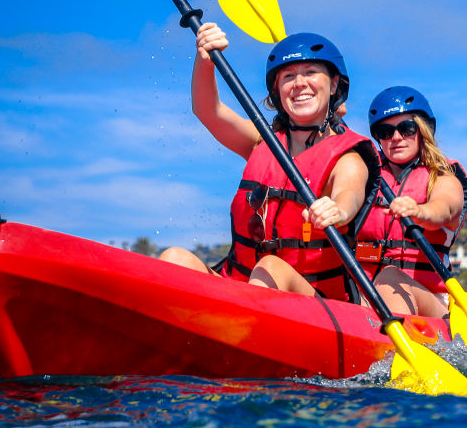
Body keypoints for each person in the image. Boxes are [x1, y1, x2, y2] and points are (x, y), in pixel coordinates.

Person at [159, 23, 379, 302]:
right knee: (174, 258)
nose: (299, 83)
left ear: (334, 83)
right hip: (241, 288)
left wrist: (337, 210)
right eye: (288, 76)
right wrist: (205, 60)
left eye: (311, 73)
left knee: (270, 267)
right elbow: (208, 111)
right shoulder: (262, 142)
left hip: (317, 304)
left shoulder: (348, 158)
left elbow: (350, 193)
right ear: (277, 90)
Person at [355, 86, 467, 317]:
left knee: (389, 278)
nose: (396, 138)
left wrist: (418, 210)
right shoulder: (364, 176)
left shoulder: (443, 176)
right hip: (365, 293)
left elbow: (444, 208)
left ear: (423, 130)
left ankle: (391, 348)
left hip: (428, 301)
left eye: (406, 128)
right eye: (385, 132)